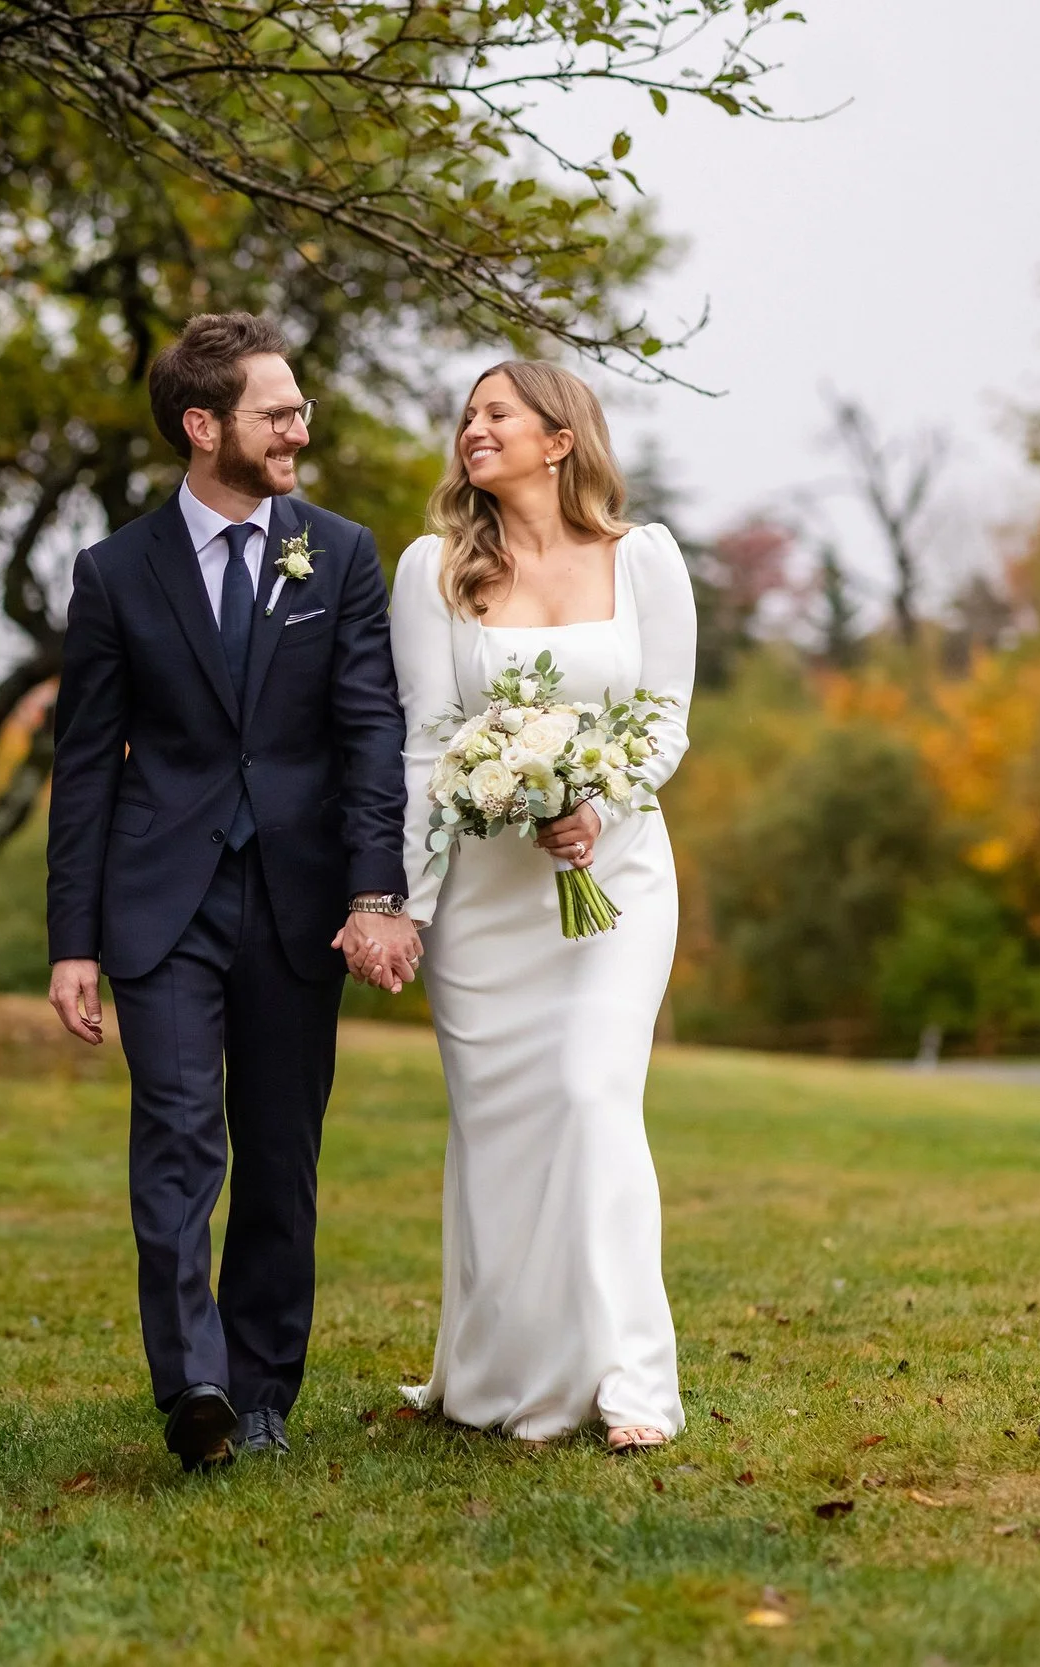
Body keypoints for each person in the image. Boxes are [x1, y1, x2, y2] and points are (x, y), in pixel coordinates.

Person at [46, 312, 417, 1473]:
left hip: (304, 897)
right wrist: (73, 941)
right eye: (277, 412)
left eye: (297, 409)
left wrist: (373, 888)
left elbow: (370, 733)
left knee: (278, 1150)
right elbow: (84, 763)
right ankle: (192, 1377)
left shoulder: (340, 554)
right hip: (161, 900)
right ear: (204, 427)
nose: (299, 427)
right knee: (174, 1135)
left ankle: (262, 1390)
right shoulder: (112, 572)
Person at [387, 360, 696, 1450]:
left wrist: (597, 807)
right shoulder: (434, 570)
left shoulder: (643, 558)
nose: (472, 429)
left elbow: (662, 718)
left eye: (496, 413)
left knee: (589, 1090)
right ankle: (497, 1370)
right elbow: (427, 744)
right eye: (466, 415)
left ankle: (630, 1383)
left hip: (615, 882)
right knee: (502, 1130)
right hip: (486, 902)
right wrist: (407, 905)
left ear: (560, 438)